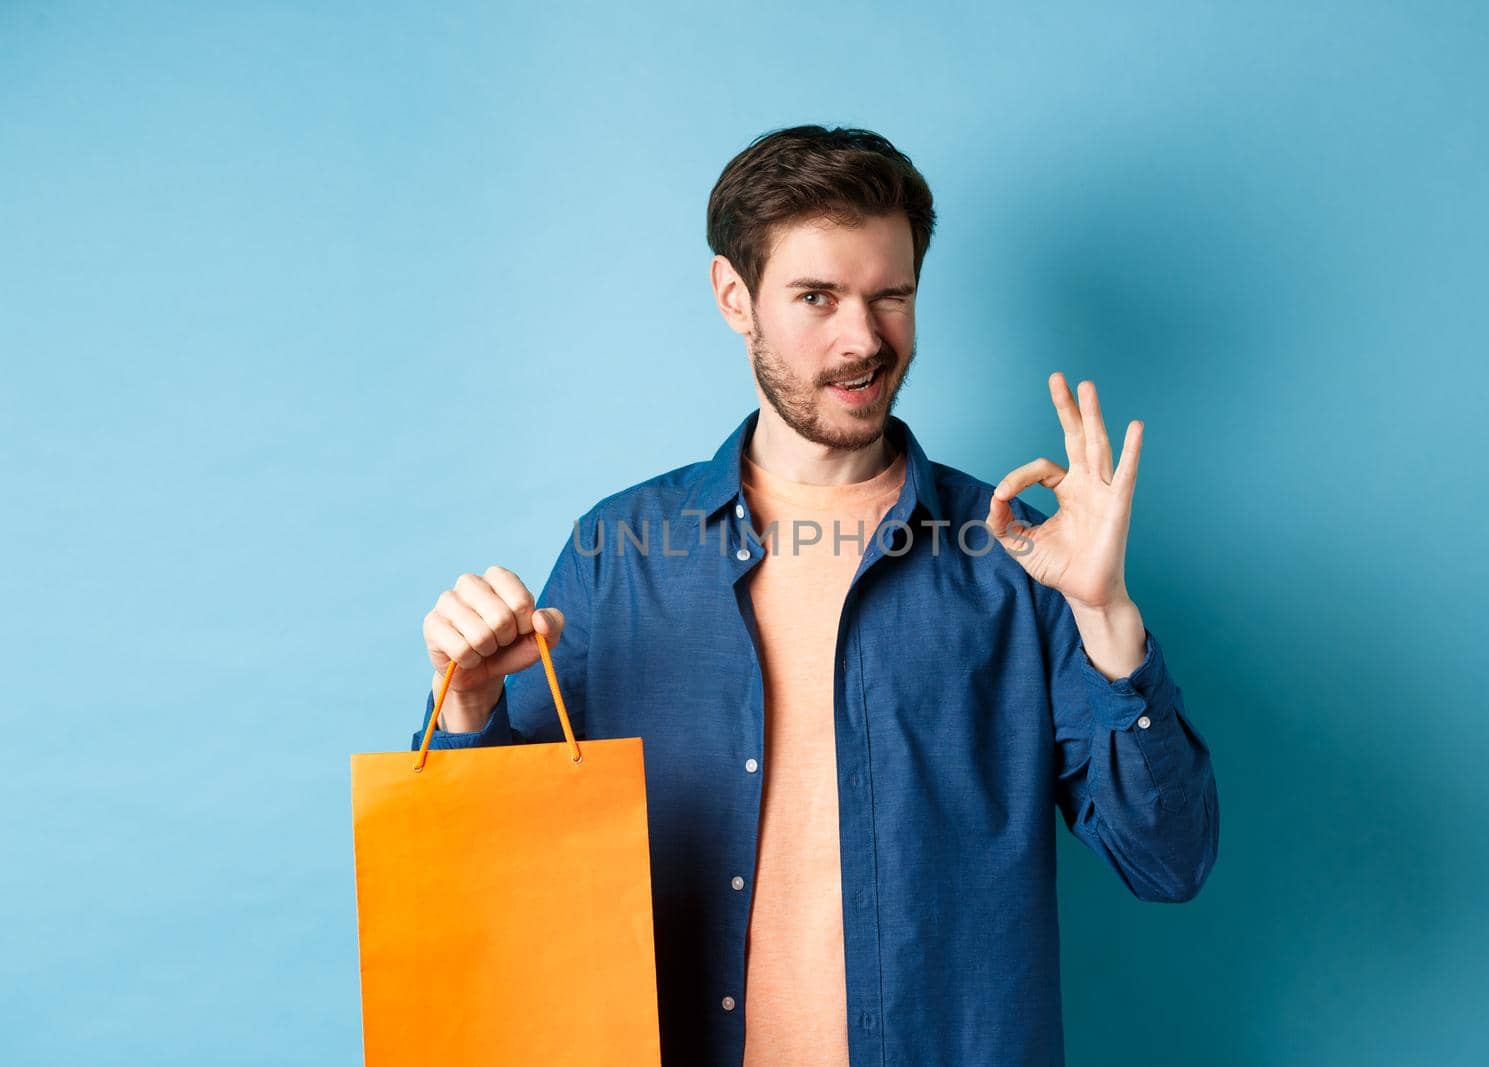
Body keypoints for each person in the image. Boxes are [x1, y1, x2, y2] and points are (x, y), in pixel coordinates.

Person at [412, 124, 1218, 1067]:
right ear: (733, 297)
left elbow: (1168, 861)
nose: (864, 339)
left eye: (892, 297)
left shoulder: (1015, 557)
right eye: (817, 297)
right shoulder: (620, 552)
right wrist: (464, 704)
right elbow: (490, 893)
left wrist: (1106, 613)